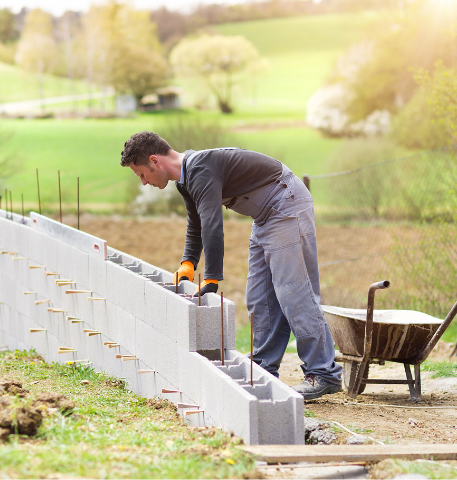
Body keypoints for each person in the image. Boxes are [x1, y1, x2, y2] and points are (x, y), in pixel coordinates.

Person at [120, 131, 342, 399]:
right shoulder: (186, 181)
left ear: (154, 161)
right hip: (264, 217)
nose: (143, 182)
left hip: (285, 205)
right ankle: (263, 366)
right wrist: (188, 262)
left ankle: (323, 373)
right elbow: (197, 223)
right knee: (260, 297)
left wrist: (212, 276)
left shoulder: (200, 169)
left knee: (293, 291)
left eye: (142, 174)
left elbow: (213, 224)